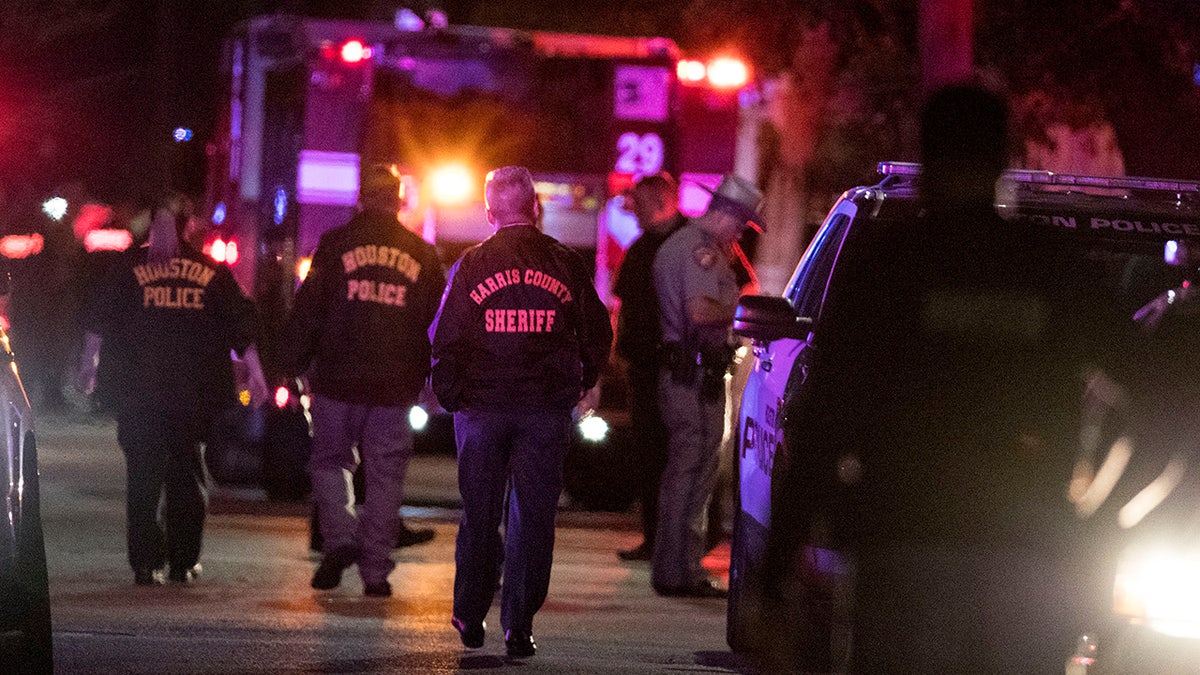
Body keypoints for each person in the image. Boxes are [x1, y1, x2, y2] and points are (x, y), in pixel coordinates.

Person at [430, 166, 612, 657]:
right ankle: (519, 626)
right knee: (532, 518)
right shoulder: (564, 263)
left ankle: (470, 614)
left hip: (483, 407)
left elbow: (445, 335)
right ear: (535, 208)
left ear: (489, 213)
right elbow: (597, 329)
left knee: (480, 513)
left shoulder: (472, 263)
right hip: (543, 410)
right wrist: (589, 380)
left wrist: (450, 394)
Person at [277, 164, 446, 598]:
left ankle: (341, 541)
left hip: (336, 379)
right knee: (387, 475)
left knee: (331, 463)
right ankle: (375, 573)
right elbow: (437, 324)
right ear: (398, 200)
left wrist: (292, 366)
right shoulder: (422, 254)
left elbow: (309, 309)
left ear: (361, 199)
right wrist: (433, 377)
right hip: (394, 384)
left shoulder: (335, 246)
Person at [79, 195, 265, 586]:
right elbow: (240, 323)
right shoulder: (209, 271)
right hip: (191, 397)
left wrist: (88, 368)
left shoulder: (128, 271)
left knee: (143, 479)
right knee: (185, 475)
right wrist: (257, 373)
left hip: (139, 394)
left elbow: (97, 320)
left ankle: (146, 564)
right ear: (188, 227)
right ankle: (183, 561)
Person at [651, 173, 762, 598]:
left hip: (690, 373)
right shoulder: (701, 252)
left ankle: (676, 566)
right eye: (741, 223)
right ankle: (680, 571)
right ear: (725, 215)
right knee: (693, 470)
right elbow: (699, 312)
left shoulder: (688, 246)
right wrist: (743, 305)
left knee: (688, 469)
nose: (740, 232)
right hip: (695, 376)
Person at [612, 172, 686, 562]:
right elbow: (623, 307)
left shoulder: (693, 243)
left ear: (659, 203)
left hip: (680, 371)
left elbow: (742, 287)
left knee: (680, 458)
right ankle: (654, 537)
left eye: (638, 203)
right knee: (649, 456)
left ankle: (678, 541)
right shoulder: (639, 249)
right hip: (643, 369)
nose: (632, 211)